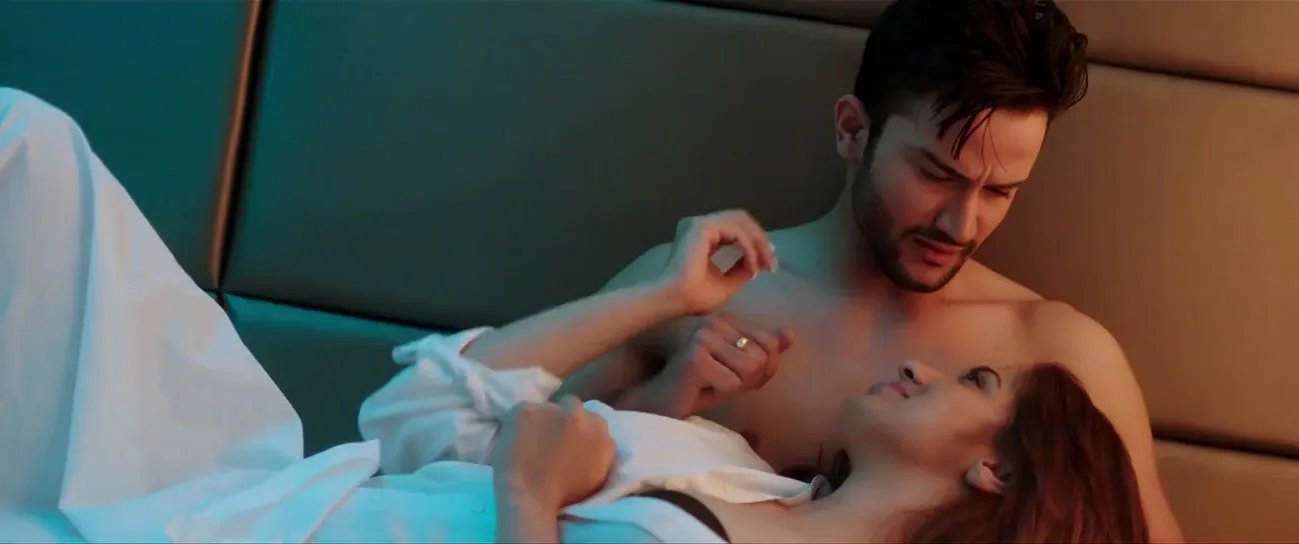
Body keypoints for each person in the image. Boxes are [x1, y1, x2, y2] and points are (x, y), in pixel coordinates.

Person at [556, 0, 1184, 540]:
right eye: (936, 175)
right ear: (853, 131)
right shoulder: (699, 293)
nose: (961, 225)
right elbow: (517, 446)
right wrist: (664, 398)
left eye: (999, 192)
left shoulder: (1059, 357)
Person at [347, 209, 1147, 543]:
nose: (915, 364)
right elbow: (412, 420)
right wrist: (663, 298)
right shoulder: (738, 471)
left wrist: (529, 503)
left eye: (975, 382)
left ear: (998, 469)